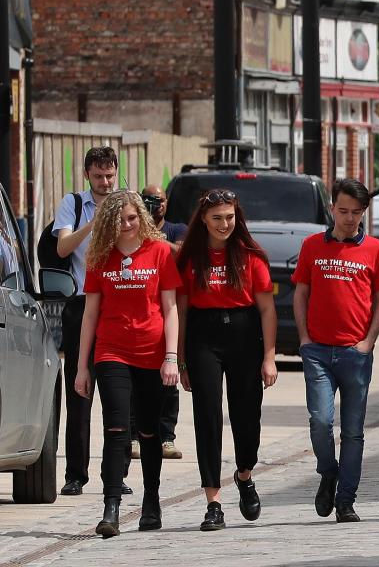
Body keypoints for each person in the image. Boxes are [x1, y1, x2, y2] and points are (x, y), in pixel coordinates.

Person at [72, 191, 181, 538]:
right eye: (120, 219)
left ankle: (151, 499)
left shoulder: (160, 252)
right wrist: (81, 367)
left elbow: (170, 309)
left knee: (149, 431)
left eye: (133, 218)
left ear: (142, 218)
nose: (127, 225)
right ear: (108, 222)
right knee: (116, 429)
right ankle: (112, 506)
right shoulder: (99, 256)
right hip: (111, 351)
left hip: (151, 351)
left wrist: (171, 356)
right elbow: (90, 315)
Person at [176, 189, 278, 531]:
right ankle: (213, 502)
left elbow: (266, 309)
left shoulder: (251, 257)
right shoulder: (191, 259)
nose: (224, 224)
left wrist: (269, 357)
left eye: (230, 217)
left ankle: (245, 474)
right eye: (217, 218)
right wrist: (180, 359)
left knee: (247, 416)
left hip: (244, 335)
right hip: (204, 338)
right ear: (203, 219)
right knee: (207, 417)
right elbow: (182, 313)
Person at [293, 178, 379, 523]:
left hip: (355, 352)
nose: (349, 218)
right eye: (343, 211)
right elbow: (300, 294)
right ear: (332, 208)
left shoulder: (375, 250)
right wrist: (304, 338)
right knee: (320, 421)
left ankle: (346, 500)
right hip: (318, 350)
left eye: (356, 212)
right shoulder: (311, 246)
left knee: (353, 431)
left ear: (364, 212)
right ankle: (328, 471)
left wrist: (369, 341)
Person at [55, 146, 134, 497]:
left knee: (120, 394)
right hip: (82, 305)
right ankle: (76, 474)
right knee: (80, 391)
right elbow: (62, 248)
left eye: (110, 176)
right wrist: (96, 220)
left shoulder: (127, 205)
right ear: (87, 174)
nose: (105, 182)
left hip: (119, 304)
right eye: (99, 176)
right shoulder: (72, 204)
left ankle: (118, 474)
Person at [132, 184, 187, 461]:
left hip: (170, 310)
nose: (155, 205)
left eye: (159, 200)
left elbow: (181, 252)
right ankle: (134, 437)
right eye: (149, 200)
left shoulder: (177, 229)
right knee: (133, 381)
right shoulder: (131, 228)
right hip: (140, 312)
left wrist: (151, 237)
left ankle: (167, 437)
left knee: (169, 379)